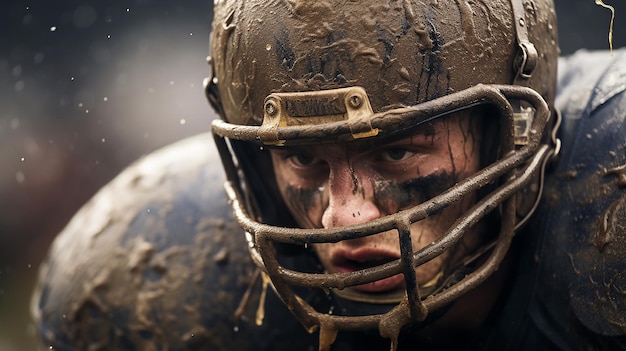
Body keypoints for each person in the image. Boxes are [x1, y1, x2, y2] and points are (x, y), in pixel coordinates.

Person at [31, 0, 626, 350]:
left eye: (395, 154)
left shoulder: (610, 204)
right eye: (304, 158)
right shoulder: (171, 274)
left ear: (511, 131)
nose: (343, 216)